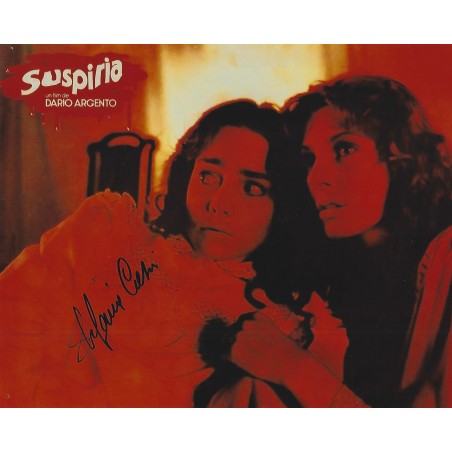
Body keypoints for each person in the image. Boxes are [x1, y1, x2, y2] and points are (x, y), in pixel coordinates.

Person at [0, 99, 321, 407]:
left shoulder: (271, 326)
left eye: (252, 188)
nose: (219, 204)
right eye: (208, 176)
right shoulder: (109, 233)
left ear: (283, 207)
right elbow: (15, 307)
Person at [226, 75, 451, 407]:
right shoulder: (348, 275)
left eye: (344, 149)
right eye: (310, 159)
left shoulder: (446, 254)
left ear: (400, 154)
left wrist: (293, 368)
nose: (317, 178)